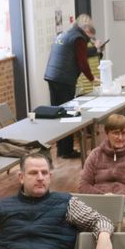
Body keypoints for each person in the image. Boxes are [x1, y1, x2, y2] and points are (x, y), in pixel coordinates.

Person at [79, 114, 125, 231]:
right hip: (99, 205)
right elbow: (83, 185)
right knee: (79, 226)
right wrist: (104, 197)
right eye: (116, 133)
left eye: (124, 133)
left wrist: (119, 197)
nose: (120, 137)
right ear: (107, 133)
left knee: (116, 227)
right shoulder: (95, 155)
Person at [44, 14, 100, 159]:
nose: (89, 40)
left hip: (52, 77)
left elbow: (79, 53)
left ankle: (61, 149)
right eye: (89, 37)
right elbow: (82, 63)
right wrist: (92, 78)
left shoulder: (65, 35)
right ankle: (67, 151)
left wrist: (95, 49)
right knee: (67, 114)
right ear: (86, 30)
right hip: (65, 79)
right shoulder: (79, 38)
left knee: (58, 113)